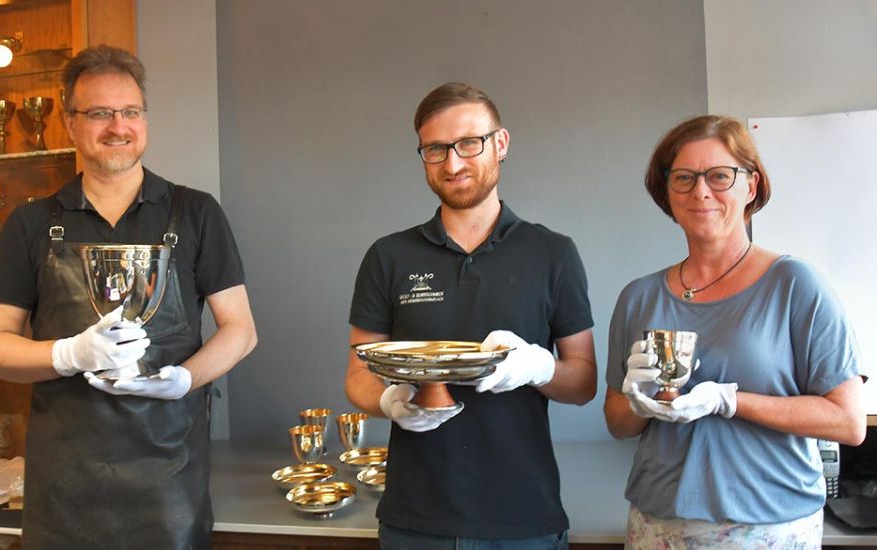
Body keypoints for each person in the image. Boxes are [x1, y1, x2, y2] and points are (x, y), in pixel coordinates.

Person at [0, 45, 257, 550]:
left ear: (145, 119)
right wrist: (68, 354)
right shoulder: (31, 224)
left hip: (169, 475)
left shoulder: (195, 212)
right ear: (70, 123)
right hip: (64, 482)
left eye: (130, 112)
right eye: (100, 113)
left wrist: (185, 379)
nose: (118, 126)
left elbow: (241, 329)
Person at [345, 82, 597, 549]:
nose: (453, 163)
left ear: (500, 144)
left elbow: (583, 382)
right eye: (435, 149)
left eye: (468, 143)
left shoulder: (553, 254)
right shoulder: (389, 256)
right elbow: (359, 373)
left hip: (525, 520)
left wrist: (538, 367)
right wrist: (389, 402)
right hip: (414, 522)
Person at [603, 115, 867, 548]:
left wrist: (729, 400)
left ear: (751, 186)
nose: (701, 191)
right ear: (666, 192)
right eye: (684, 177)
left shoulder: (795, 286)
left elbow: (848, 422)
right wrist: (641, 398)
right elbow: (617, 423)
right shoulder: (639, 297)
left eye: (720, 176)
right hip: (657, 525)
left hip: (769, 527)